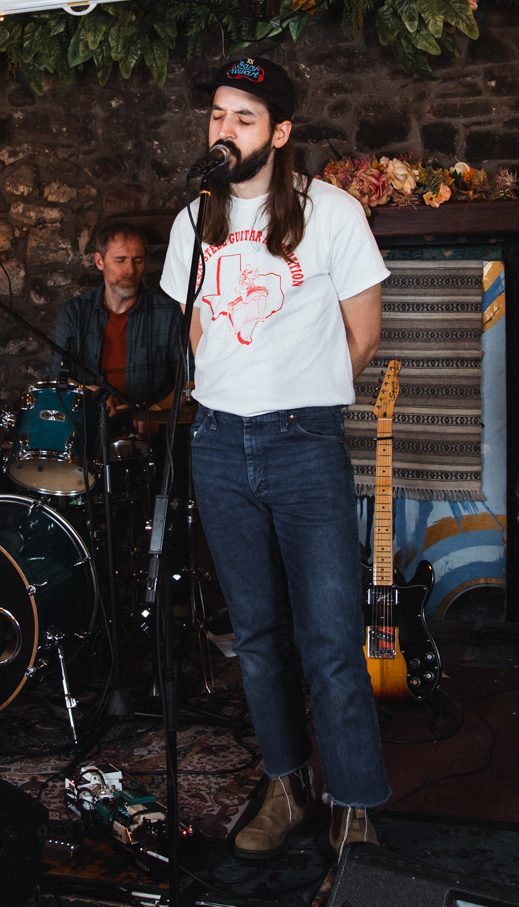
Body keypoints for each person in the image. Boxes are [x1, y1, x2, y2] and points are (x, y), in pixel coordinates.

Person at [160, 56, 391, 858]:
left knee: (330, 639)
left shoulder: (332, 213)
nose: (225, 130)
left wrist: (300, 390)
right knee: (256, 638)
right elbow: (196, 328)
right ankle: (288, 785)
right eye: (218, 115)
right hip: (218, 443)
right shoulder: (194, 219)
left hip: (303, 442)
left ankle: (354, 802)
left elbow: (363, 333)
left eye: (244, 118)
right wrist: (235, 382)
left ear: (281, 132)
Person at [49, 220, 180, 412]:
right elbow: (57, 375)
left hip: (150, 427)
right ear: (99, 261)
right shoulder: (74, 312)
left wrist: (158, 411)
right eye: (120, 260)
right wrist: (86, 392)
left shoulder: (169, 313)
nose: (130, 270)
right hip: (88, 421)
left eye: (138, 260)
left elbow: (190, 380)